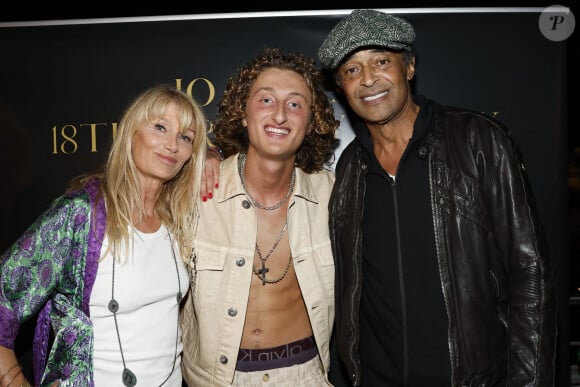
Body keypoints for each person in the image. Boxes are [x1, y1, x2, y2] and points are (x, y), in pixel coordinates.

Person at [317, 9, 558, 387]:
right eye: (352, 70)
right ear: (340, 85)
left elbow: (530, 272)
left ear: (408, 68)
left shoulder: (477, 140)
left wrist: (528, 381)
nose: (368, 80)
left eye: (381, 61)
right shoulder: (349, 168)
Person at [0, 84, 207, 386]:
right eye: (160, 127)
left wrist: (213, 155)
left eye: (185, 137)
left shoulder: (181, 219)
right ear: (131, 133)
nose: (172, 145)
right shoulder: (80, 214)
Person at [180, 47, 339, 386]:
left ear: (310, 123)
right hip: (217, 379)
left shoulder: (334, 195)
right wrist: (202, 153)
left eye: (295, 104)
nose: (280, 115)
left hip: (304, 374)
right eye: (266, 100)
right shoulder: (196, 193)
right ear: (243, 113)